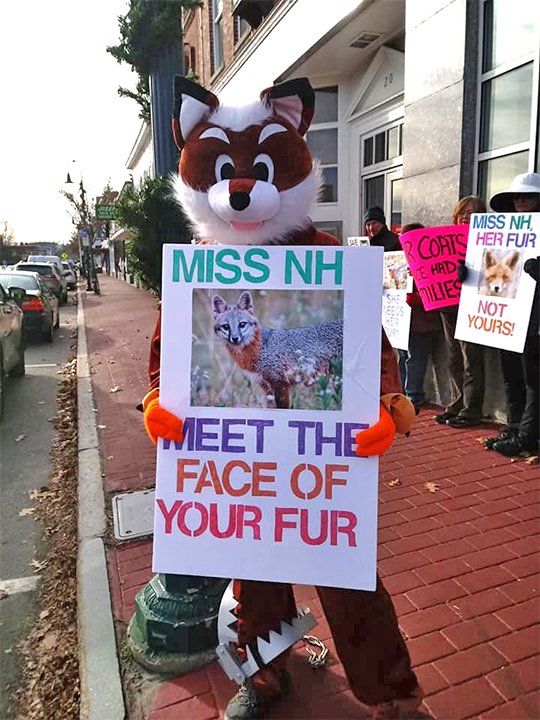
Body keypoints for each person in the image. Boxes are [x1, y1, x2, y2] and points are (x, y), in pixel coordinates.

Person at [143, 76, 423, 720]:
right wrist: (160, 397)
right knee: (253, 572)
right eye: (225, 172)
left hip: (322, 471)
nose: (240, 186)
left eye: (260, 168)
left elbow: (366, 336)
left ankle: (392, 692)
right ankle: (263, 674)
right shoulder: (200, 263)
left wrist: (384, 400)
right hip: (244, 472)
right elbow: (169, 339)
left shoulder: (328, 257)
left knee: (348, 575)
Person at [483, 172, 540, 455]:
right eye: (517, 197)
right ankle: (515, 427)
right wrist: (467, 274)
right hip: (507, 316)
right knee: (510, 373)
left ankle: (528, 436)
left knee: (533, 379)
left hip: (535, 323)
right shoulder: (506, 235)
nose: (521, 201)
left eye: (527, 196)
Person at [435, 195, 487, 428]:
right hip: (448, 306)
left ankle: (472, 409)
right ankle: (459, 401)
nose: (466, 217)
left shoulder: (487, 240)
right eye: (463, 213)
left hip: (473, 307)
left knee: (471, 359)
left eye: (472, 212)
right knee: (454, 359)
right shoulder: (446, 240)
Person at [399, 224, 441, 413]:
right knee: (404, 358)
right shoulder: (403, 262)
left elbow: (431, 293)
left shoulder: (429, 263)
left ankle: (412, 394)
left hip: (422, 322)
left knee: (414, 358)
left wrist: (410, 295)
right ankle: (403, 391)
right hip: (404, 321)